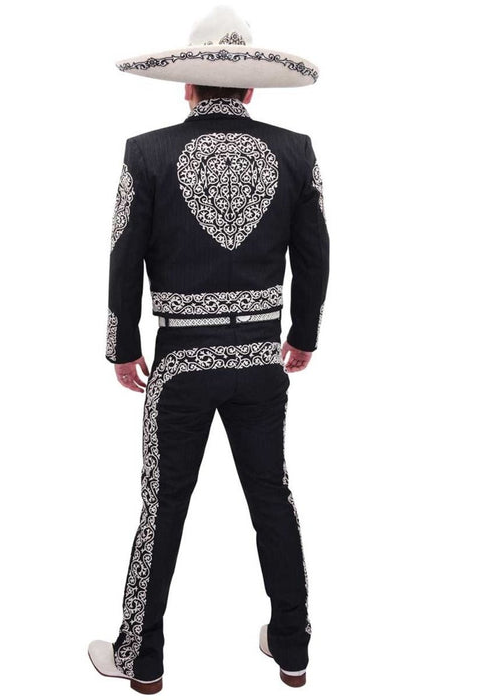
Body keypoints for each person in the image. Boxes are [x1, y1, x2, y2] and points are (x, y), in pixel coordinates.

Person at [88, 5, 329, 694]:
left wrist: (122, 345)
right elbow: (316, 255)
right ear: (250, 89)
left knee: (162, 505)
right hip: (259, 359)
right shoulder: (296, 151)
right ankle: (293, 649)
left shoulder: (147, 152)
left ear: (187, 87)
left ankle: (142, 659)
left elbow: (123, 256)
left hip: (181, 364)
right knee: (272, 498)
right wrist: (302, 335)